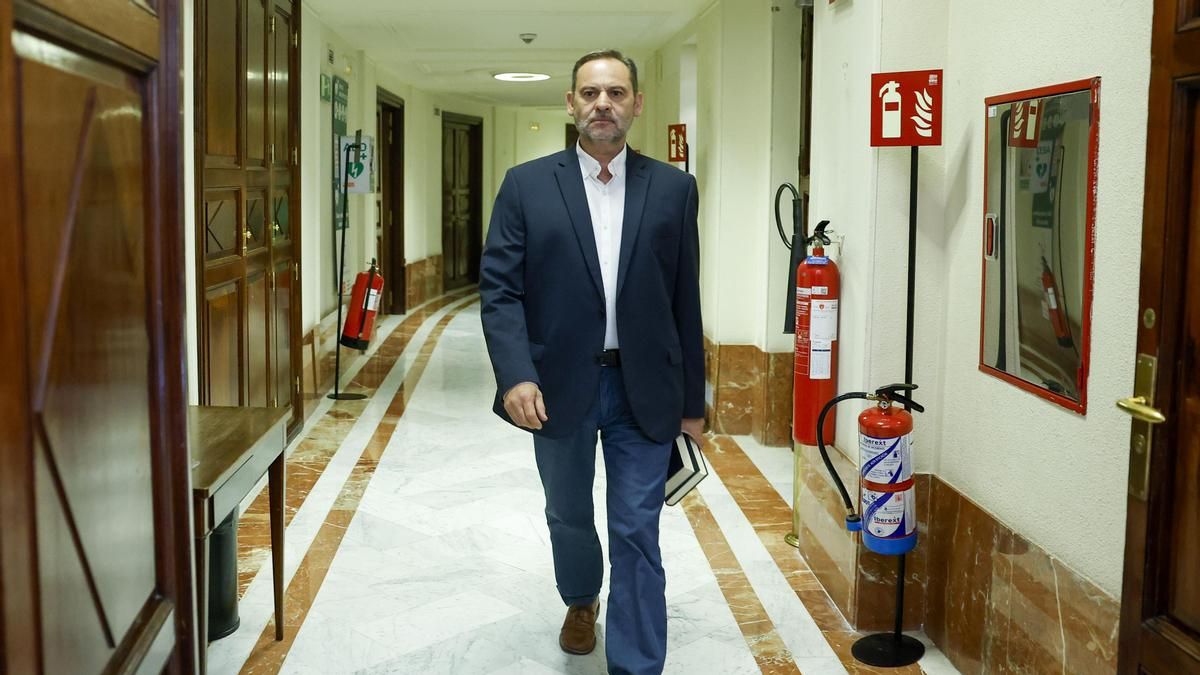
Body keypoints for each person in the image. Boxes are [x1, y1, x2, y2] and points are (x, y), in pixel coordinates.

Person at [479, 49, 704, 675]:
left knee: (637, 528)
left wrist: (693, 404)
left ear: (636, 103)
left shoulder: (673, 189)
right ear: (570, 104)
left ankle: (635, 665)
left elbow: (685, 298)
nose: (602, 103)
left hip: (644, 389)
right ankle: (581, 601)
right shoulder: (526, 185)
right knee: (570, 512)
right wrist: (515, 374)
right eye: (589, 93)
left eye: (615, 92)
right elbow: (501, 290)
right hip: (555, 386)